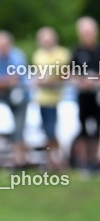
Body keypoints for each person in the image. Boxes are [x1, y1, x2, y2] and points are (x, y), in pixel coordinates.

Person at [0, 30, 29, 168]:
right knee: (7, 128)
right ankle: (9, 158)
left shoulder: (17, 56)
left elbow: (15, 78)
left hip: (19, 97)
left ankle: (19, 160)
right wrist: (1, 81)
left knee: (19, 128)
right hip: (2, 97)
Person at [31, 27, 70, 171]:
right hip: (42, 99)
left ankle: (58, 160)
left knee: (52, 131)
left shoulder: (62, 54)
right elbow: (38, 76)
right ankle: (51, 161)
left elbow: (64, 75)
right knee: (47, 132)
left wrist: (49, 80)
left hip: (57, 99)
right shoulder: (38, 55)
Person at [70, 16, 100, 171]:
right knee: (83, 128)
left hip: (97, 94)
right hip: (83, 95)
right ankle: (84, 161)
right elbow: (69, 72)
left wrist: (95, 80)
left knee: (97, 128)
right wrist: (81, 80)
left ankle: (95, 160)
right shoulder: (77, 51)